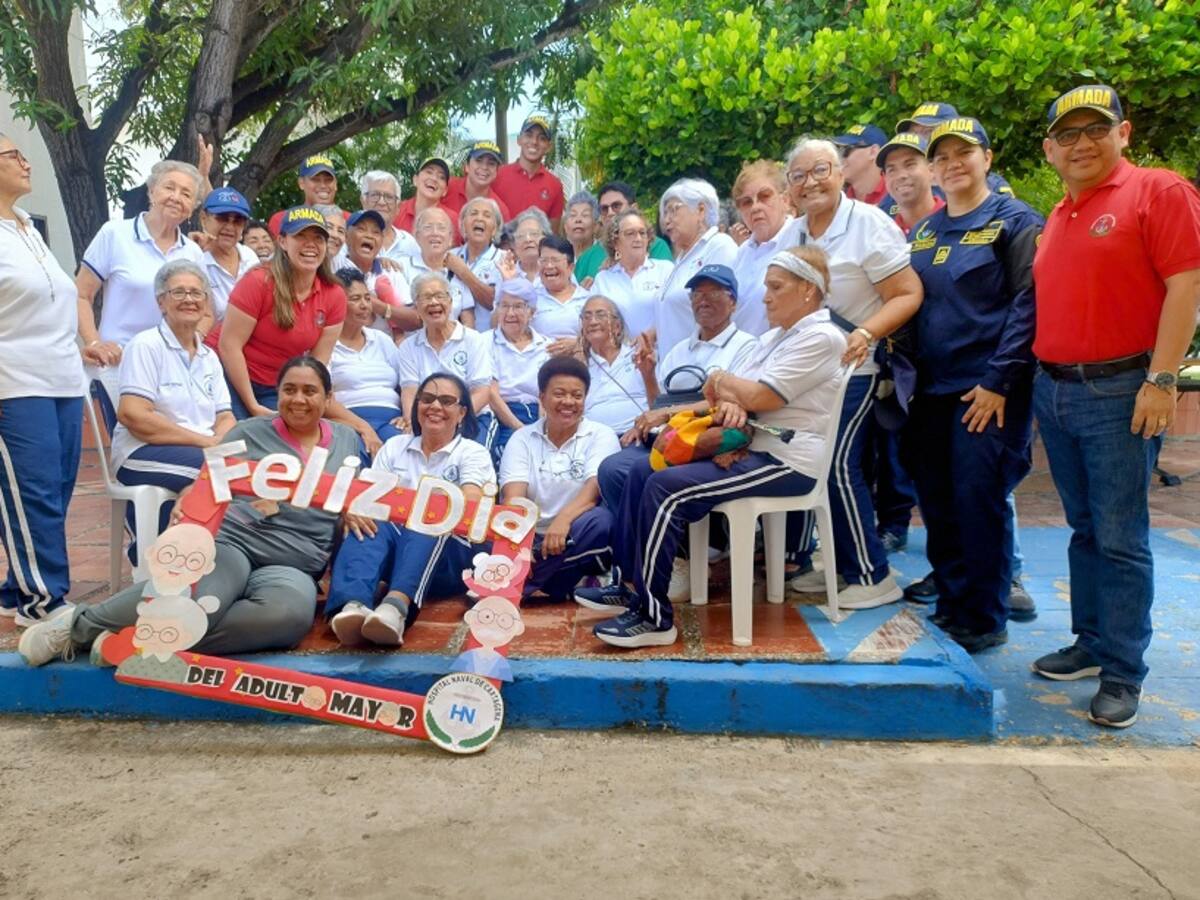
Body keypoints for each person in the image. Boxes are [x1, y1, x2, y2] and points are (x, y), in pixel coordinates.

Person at [1030, 84, 1200, 728]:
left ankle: (1124, 672)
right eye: (1067, 135)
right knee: (1086, 530)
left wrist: (1163, 379)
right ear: (1050, 150)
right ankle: (1092, 643)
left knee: (1122, 538)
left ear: (1123, 133)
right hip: (1057, 389)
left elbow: (1187, 283)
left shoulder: (1158, 191)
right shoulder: (1059, 214)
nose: (1081, 144)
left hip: (1121, 390)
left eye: (1095, 130)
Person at [18, 357, 362, 665]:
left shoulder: (348, 440)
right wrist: (187, 496)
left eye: (310, 391)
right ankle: (76, 627)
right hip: (235, 543)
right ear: (277, 393)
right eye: (289, 389)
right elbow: (207, 480)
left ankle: (134, 644)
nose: (298, 399)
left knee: (287, 619)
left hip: (294, 563)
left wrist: (353, 508)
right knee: (196, 598)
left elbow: (360, 492)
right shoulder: (248, 432)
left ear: (328, 398)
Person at [587, 246, 848, 646]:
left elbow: (760, 396)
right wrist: (729, 391)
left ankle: (655, 619)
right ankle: (632, 587)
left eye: (776, 287)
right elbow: (730, 394)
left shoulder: (821, 337)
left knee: (665, 488)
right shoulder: (776, 338)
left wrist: (727, 384)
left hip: (785, 460)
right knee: (642, 469)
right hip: (751, 447)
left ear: (808, 291)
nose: (766, 297)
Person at [904, 117, 1044, 654]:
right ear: (933, 169)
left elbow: (1029, 308)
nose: (953, 164)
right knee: (937, 503)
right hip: (931, 394)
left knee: (978, 500)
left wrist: (998, 381)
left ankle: (985, 616)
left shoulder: (1016, 222)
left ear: (987, 158)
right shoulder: (925, 231)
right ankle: (953, 605)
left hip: (986, 393)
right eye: (942, 157)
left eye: (965, 153)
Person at [781, 137, 923, 609]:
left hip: (854, 368)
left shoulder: (868, 225)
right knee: (818, 468)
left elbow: (907, 293)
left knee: (839, 464)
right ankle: (842, 567)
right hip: (808, 375)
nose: (810, 183)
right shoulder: (793, 234)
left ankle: (872, 574)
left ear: (841, 172)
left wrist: (865, 333)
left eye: (820, 170)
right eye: (799, 176)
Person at [324, 372, 494, 646]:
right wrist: (356, 507)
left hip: (449, 559)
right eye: (427, 399)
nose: (435, 406)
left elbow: (471, 502)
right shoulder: (394, 447)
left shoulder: (473, 452)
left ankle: (395, 609)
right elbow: (368, 496)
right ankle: (351, 607)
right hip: (395, 552)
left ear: (462, 412)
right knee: (366, 519)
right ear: (416, 407)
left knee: (432, 515)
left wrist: (423, 507)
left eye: (447, 401)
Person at [0, 133, 89, 626]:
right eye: (13, 155)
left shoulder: (27, 228)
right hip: (15, 381)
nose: (26, 162)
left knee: (55, 489)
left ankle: (17, 588)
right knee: (32, 492)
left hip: (61, 378)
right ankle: (44, 602)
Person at [110, 259, 236, 556]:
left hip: (200, 451)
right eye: (178, 292)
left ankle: (173, 547)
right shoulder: (146, 345)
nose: (189, 299)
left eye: (196, 293)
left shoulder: (209, 356)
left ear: (207, 304)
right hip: (140, 452)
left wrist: (219, 441)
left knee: (238, 470)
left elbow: (226, 416)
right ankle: (162, 556)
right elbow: (133, 415)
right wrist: (207, 443)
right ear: (161, 302)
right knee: (215, 473)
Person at [76, 159, 205, 415]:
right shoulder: (115, 234)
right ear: (151, 190)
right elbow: (81, 293)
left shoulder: (193, 252)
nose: (176, 197)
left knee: (180, 440)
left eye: (186, 194)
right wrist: (93, 342)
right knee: (133, 443)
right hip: (119, 364)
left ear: (192, 208)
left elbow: (206, 312)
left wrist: (192, 345)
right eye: (170, 187)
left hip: (173, 368)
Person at [500, 357, 620, 601]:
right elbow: (513, 498)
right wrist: (521, 541)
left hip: (577, 530)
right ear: (542, 398)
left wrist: (563, 520)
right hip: (533, 535)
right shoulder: (523, 438)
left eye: (577, 395)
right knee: (486, 529)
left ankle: (516, 584)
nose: (568, 402)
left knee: (601, 523)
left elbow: (593, 490)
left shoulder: (601, 435)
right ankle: (564, 581)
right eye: (559, 394)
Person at [211, 206, 345, 418]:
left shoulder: (334, 295)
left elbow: (315, 366)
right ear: (282, 241)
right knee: (243, 436)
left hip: (275, 384)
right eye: (301, 236)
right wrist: (253, 406)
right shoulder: (258, 281)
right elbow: (229, 346)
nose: (310, 244)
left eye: (318, 238)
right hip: (225, 371)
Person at [395, 273, 493, 439]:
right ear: (416, 307)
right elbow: (410, 391)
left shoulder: (473, 339)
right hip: (429, 420)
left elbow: (482, 391)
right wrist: (413, 420)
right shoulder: (408, 347)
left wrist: (451, 420)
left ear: (450, 302)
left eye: (440, 295)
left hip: (471, 417)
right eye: (426, 297)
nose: (434, 302)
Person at [652, 178, 738, 357]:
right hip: (673, 369)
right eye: (664, 213)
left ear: (700, 210)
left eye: (674, 210)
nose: (666, 220)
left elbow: (720, 313)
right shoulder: (682, 257)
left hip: (703, 366)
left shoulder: (719, 246)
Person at [329, 268, 405, 449]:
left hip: (392, 421)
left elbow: (405, 385)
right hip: (347, 421)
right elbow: (323, 398)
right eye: (355, 299)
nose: (365, 305)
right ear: (337, 303)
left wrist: (408, 416)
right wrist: (364, 428)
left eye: (367, 298)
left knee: (402, 453)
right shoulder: (327, 343)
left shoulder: (381, 340)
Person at [729, 160, 801, 337]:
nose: (755, 207)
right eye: (746, 202)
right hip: (744, 357)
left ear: (785, 200)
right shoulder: (742, 252)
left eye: (764, 196)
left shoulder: (800, 240)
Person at [488, 279, 552, 467]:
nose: (510, 313)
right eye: (504, 306)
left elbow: (546, 394)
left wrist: (542, 429)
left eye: (518, 307)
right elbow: (491, 394)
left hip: (539, 413)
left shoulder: (547, 345)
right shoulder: (484, 342)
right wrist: (520, 429)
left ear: (532, 312)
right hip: (503, 415)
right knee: (510, 457)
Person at [896, 102, 1015, 198]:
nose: (918, 139)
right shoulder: (902, 187)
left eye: (928, 132)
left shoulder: (992, 185)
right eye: (913, 133)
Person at [591, 209, 674, 339]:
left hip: (659, 352)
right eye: (630, 233)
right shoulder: (603, 279)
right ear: (615, 242)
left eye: (642, 233)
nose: (638, 238)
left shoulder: (665, 270)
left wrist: (650, 337)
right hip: (619, 355)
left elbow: (675, 313)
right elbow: (594, 320)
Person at [580, 295, 656, 434]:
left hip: (639, 435)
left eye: (601, 315)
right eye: (587, 317)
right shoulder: (579, 367)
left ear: (617, 326)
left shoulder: (639, 356)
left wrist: (648, 375)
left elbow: (659, 406)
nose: (593, 322)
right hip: (593, 440)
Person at [575, 181, 674, 282]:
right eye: (604, 209)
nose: (610, 213)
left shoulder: (655, 245)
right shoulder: (586, 258)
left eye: (616, 206)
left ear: (634, 208)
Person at [336, 209, 416, 332]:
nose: (369, 235)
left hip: (383, 348)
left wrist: (381, 307)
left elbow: (416, 321)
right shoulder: (335, 266)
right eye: (361, 229)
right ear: (346, 236)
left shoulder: (390, 271)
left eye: (376, 232)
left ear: (381, 241)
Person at [195, 187, 259, 335]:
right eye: (222, 218)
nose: (230, 227)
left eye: (238, 221)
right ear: (204, 218)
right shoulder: (194, 259)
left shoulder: (250, 257)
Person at [394, 207, 473, 326]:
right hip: (413, 341)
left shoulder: (459, 269)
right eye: (428, 227)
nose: (435, 233)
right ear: (417, 236)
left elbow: (467, 315)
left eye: (441, 228)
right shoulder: (401, 266)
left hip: (452, 342)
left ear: (450, 238)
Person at [492, 115, 565, 233]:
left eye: (541, 138)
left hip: (536, 250)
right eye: (529, 135)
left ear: (549, 146)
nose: (534, 142)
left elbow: (552, 235)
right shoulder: (498, 175)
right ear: (519, 139)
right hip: (501, 249)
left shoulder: (555, 185)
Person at [447, 197, 504, 331]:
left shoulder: (504, 260)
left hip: (486, 340)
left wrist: (463, 272)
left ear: (494, 229)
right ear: (463, 225)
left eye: (487, 215)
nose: (479, 219)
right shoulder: (449, 256)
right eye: (473, 214)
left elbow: (493, 303)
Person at [530, 235, 590, 346]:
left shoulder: (587, 299)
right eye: (544, 260)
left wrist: (578, 344)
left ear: (570, 267)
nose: (549, 266)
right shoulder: (530, 299)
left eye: (555, 260)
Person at [267, 155, 339, 237]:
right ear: (301, 183)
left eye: (328, 180)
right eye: (315, 179)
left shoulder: (351, 221)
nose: (323, 185)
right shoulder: (280, 219)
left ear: (336, 184)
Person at [443, 140, 512, 224]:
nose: (484, 167)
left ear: (497, 172)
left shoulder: (499, 210)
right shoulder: (446, 186)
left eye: (491, 163)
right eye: (478, 161)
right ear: (466, 166)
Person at [359, 170, 420, 260]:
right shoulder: (349, 239)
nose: (382, 202)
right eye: (375, 195)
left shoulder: (409, 243)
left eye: (389, 197)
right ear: (363, 201)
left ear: (398, 207)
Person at [394, 157, 457, 241]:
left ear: (445, 191)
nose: (434, 179)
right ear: (415, 180)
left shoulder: (452, 219)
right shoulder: (396, 210)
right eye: (429, 172)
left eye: (441, 177)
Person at [833, 124, 889, 205]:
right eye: (838, 150)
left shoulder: (896, 193)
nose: (839, 157)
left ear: (873, 152)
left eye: (846, 150)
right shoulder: (837, 199)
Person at [508, 207, 551, 284]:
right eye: (521, 236)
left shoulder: (558, 272)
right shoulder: (505, 274)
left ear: (546, 239)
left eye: (534, 234)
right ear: (513, 245)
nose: (528, 240)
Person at [564, 191, 601, 275]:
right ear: (565, 227)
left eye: (585, 215)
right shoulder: (560, 257)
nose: (578, 220)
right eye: (573, 215)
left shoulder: (604, 255)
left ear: (595, 226)